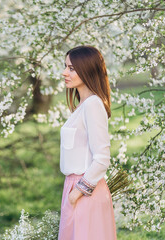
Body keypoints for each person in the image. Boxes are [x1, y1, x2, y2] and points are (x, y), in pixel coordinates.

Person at [58, 45, 117, 240]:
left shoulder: (93, 105)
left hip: (85, 190)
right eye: (66, 67)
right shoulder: (82, 106)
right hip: (74, 186)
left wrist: (78, 192)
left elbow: (102, 158)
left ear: (87, 69)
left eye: (71, 68)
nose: (64, 72)